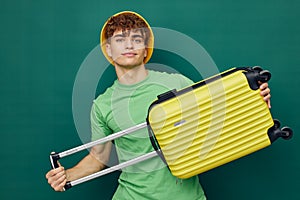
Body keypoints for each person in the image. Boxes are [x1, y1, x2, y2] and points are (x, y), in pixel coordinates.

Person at [46, 11, 271, 199]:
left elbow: (219, 119)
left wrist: (256, 102)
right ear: (108, 50)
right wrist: (68, 175)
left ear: (145, 48)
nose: (129, 45)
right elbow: (99, 157)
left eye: (136, 39)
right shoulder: (102, 105)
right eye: (120, 39)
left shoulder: (177, 83)